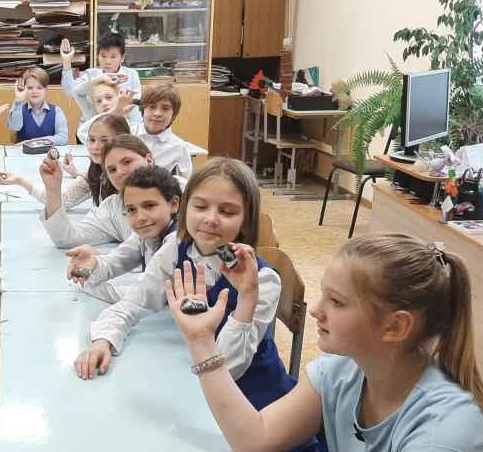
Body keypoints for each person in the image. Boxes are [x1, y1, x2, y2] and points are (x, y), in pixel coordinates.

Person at [167, 233, 483, 451]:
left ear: (396, 326)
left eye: (337, 302)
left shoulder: (444, 432)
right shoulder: (341, 370)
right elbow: (256, 438)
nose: (316, 310)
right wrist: (201, 340)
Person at [77, 158, 313, 452]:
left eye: (227, 211)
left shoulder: (262, 280)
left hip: (255, 403)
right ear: (184, 208)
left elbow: (231, 369)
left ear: (246, 220)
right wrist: (104, 340)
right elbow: (134, 302)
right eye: (200, 206)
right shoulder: (175, 250)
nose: (211, 219)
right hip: (194, 390)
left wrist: (246, 299)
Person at [64, 165, 182, 303]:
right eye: (131, 209)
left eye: (149, 206)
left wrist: (88, 285)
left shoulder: (176, 242)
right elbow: (115, 262)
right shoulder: (144, 236)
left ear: (174, 204)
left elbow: (144, 295)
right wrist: (91, 264)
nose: (140, 217)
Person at [40, 134, 155, 248]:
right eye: (112, 170)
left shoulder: (166, 194)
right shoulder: (113, 208)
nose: (120, 172)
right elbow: (67, 238)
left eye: (127, 162)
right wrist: (53, 189)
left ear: (149, 160)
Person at [0, 113, 129, 209]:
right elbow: (64, 200)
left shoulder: (131, 176)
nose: (95, 147)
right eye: (92, 140)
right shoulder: (94, 174)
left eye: (104, 141)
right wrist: (21, 181)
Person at [61, 34, 142, 123]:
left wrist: (133, 129)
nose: (107, 61)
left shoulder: (131, 75)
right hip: (93, 124)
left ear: (122, 58)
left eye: (113, 57)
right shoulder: (90, 74)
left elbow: (135, 109)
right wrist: (67, 62)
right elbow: (70, 92)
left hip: (121, 125)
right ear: (97, 55)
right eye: (103, 56)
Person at [7, 67, 69, 145]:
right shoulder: (18, 108)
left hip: (49, 152)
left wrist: (32, 142)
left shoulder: (57, 111)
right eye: (30, 88)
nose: (34, 91)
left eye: (39, 88)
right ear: (24, 89)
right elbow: (14, 127)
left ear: (46, 89)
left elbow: (63, 138)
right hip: (24, 152)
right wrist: (19, 100)